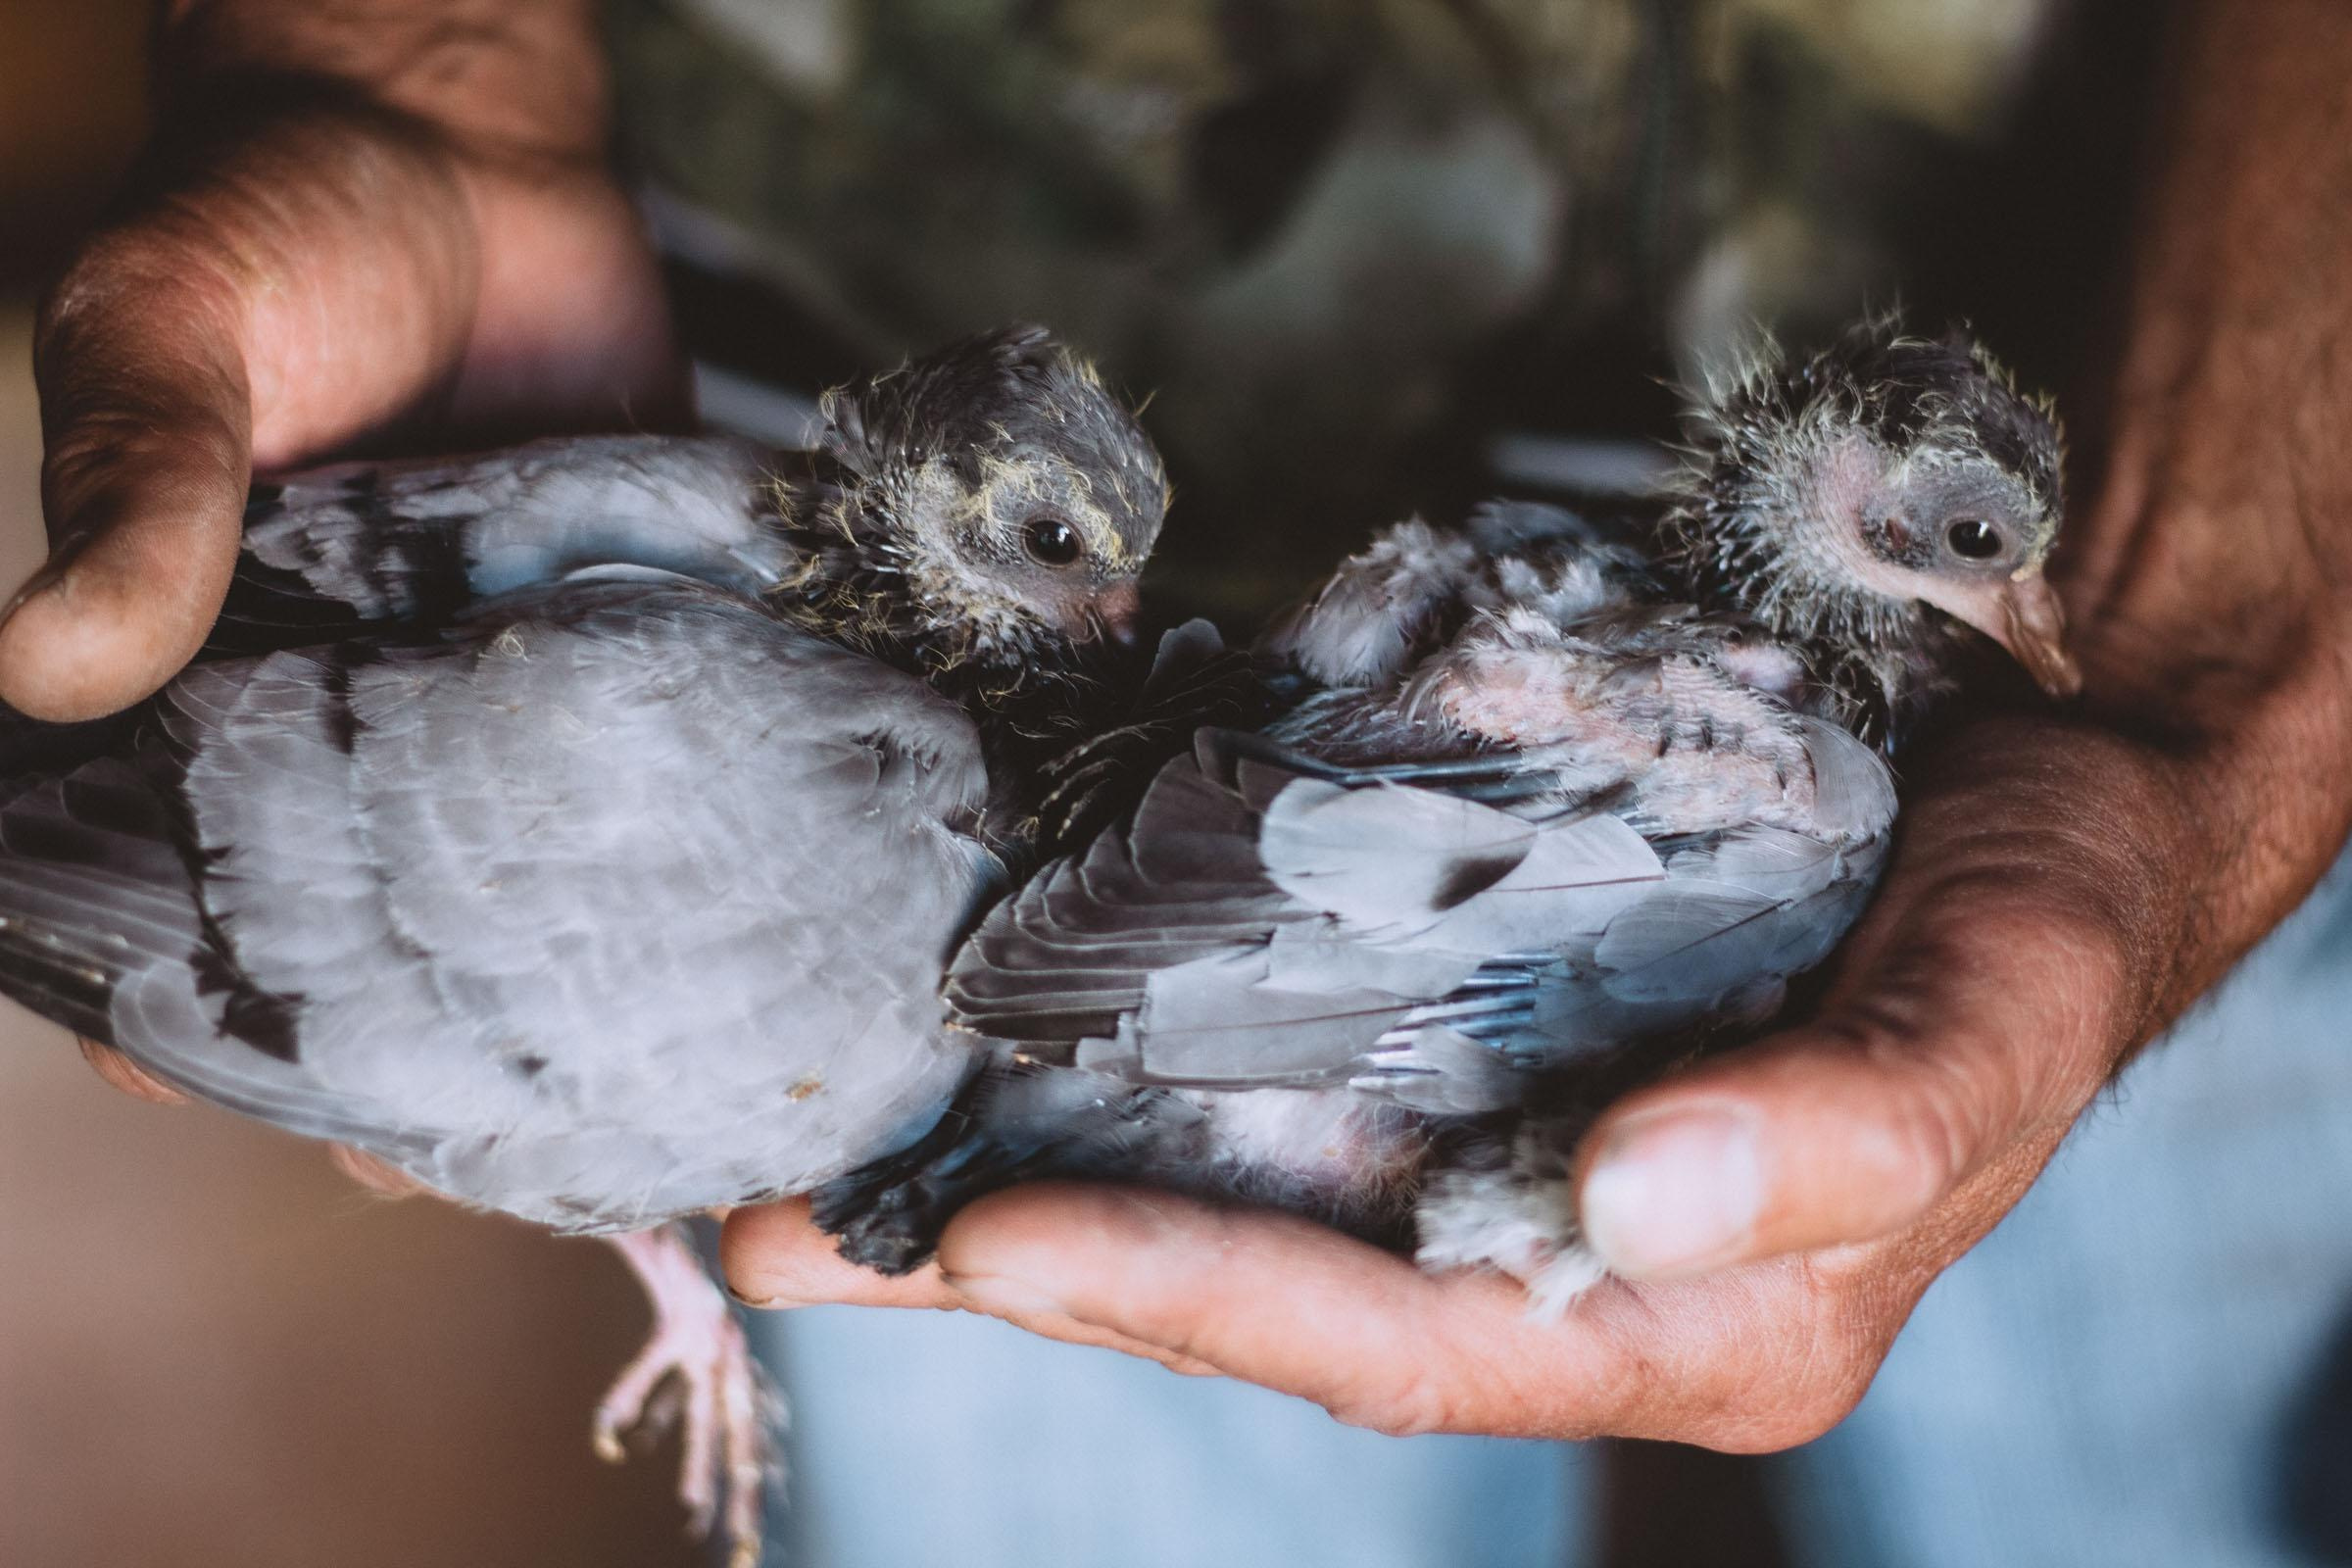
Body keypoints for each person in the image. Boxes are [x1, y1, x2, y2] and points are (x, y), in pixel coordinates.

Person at [8, 2, 2349, 1563]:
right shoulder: (853, 766)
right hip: (844, 539)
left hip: (2167, 425)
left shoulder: (1968, 639)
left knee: (2130, 1489)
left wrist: (2251, 593)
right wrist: (411, 60)